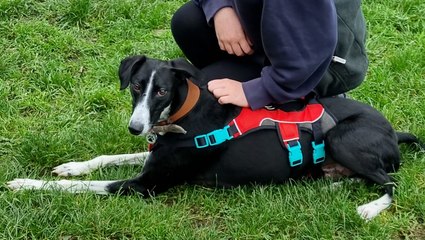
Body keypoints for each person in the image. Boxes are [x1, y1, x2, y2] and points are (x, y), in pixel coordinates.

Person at [171, 0, 338, 110]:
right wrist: (221, 8)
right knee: (187, 22)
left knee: (205, 98)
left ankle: (299, 101)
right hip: (269, 40)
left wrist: (259, 91)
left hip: (313, 65)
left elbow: (312, 46)